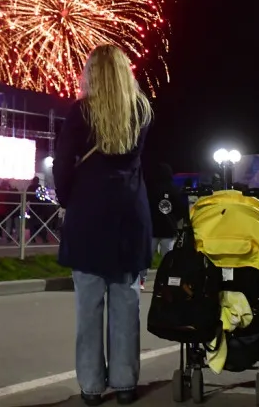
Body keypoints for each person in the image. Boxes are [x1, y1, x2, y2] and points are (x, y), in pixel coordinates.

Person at [53, 44, 153, 406]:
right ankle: (126, 383)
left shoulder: (81, 113)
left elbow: (62, 166)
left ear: (92, 74)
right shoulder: (141, 111)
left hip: (89, 219)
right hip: (129, 216)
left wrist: (69, 200)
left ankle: (92, 387)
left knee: (89, 308)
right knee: (126, 304)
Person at [141, 163, 188, 289]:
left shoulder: (148, 189)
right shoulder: (173, 189)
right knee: (169, 258)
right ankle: (168, 281)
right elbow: (181, 209)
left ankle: (141, 281)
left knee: (145, 257)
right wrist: (174, 220)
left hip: (152, 229)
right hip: (168, 229)